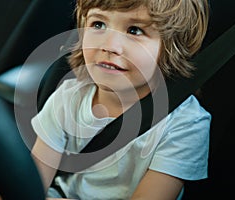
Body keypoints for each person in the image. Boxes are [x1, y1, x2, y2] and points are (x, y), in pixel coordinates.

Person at [31, 0, 211, 199]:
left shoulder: (185, 124)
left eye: (134, 31)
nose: (110, 46)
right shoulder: (69, 97)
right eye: (98, 24)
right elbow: (31, 185)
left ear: (171, 46)